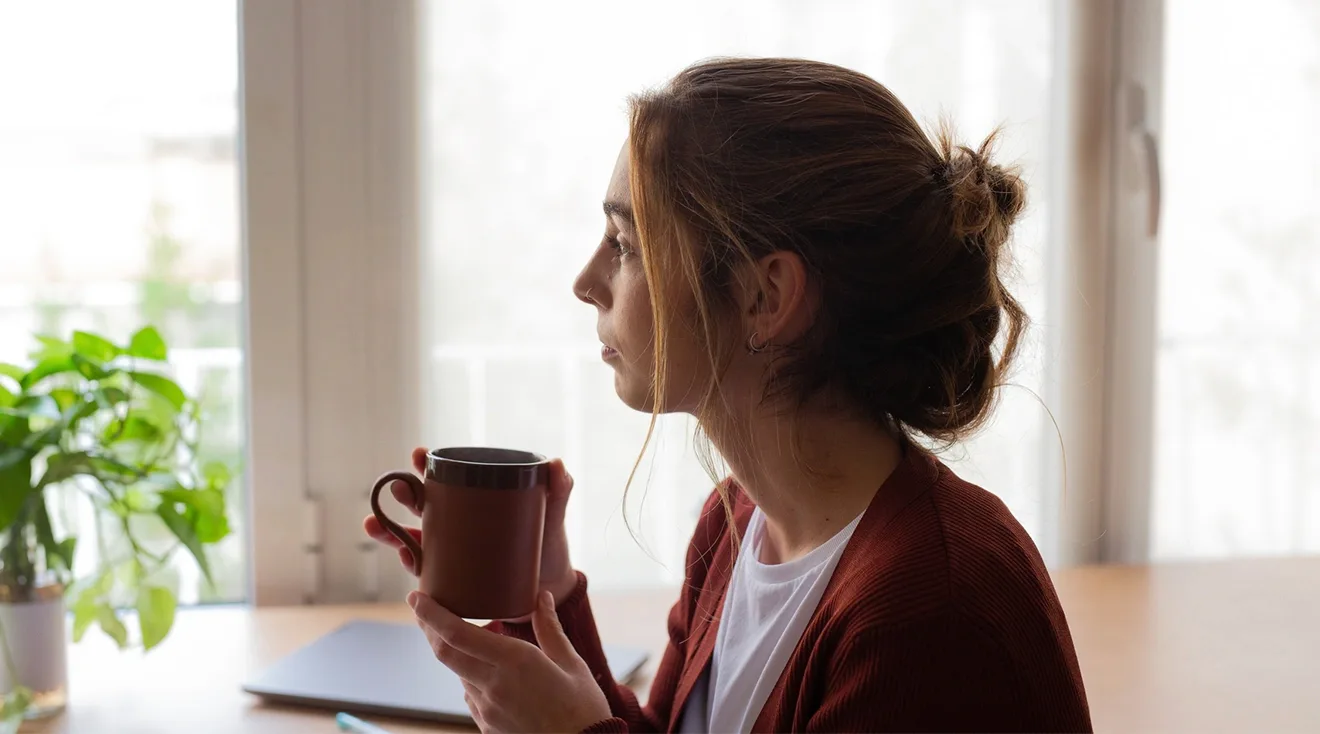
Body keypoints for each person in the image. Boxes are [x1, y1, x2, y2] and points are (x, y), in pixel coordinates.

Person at [364, 57, 1092, 733]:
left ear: (764, 297)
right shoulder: (736, 524)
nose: (586, 281)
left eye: (626, 244)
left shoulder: (931, 613)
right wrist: (540, 598)